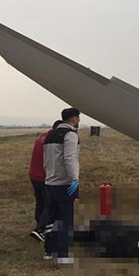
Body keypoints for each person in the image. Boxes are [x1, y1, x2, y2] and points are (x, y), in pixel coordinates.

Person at [43, 108, 81, 263]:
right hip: (64, 184)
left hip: (50, 182)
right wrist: (74, 179)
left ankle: (48, 251)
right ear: (74, 119)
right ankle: (63, 255)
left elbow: (46, 160)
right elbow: (70, 158)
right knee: (66, 220)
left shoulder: (50, 135)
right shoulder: (70, 135)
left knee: (51, 218)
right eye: (78, 118)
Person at [28, 120, 63, 242]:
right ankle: (40, 229)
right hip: (44, 177)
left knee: (40, 203)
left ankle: (38, 225)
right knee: (49, 204)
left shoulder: (42, 137)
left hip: (33, 175)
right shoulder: (52, 140)